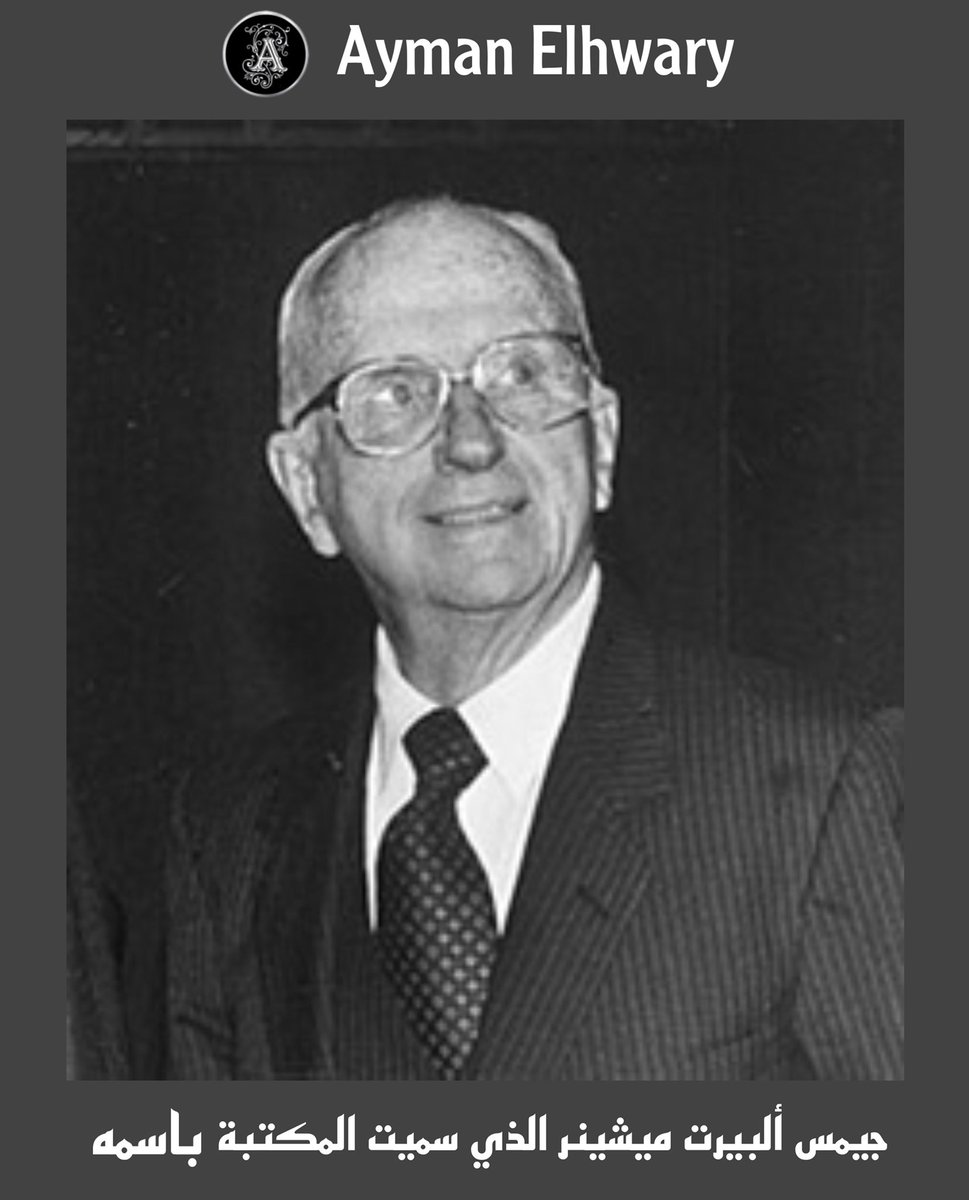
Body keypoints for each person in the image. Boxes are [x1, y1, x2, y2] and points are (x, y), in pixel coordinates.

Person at [165, 195, 903, 1080]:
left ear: (601, 441)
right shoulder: (231, 834)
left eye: (520, 373)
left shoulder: (823, 784)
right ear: (306, 489)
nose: (470, 442)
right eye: (394, 392)